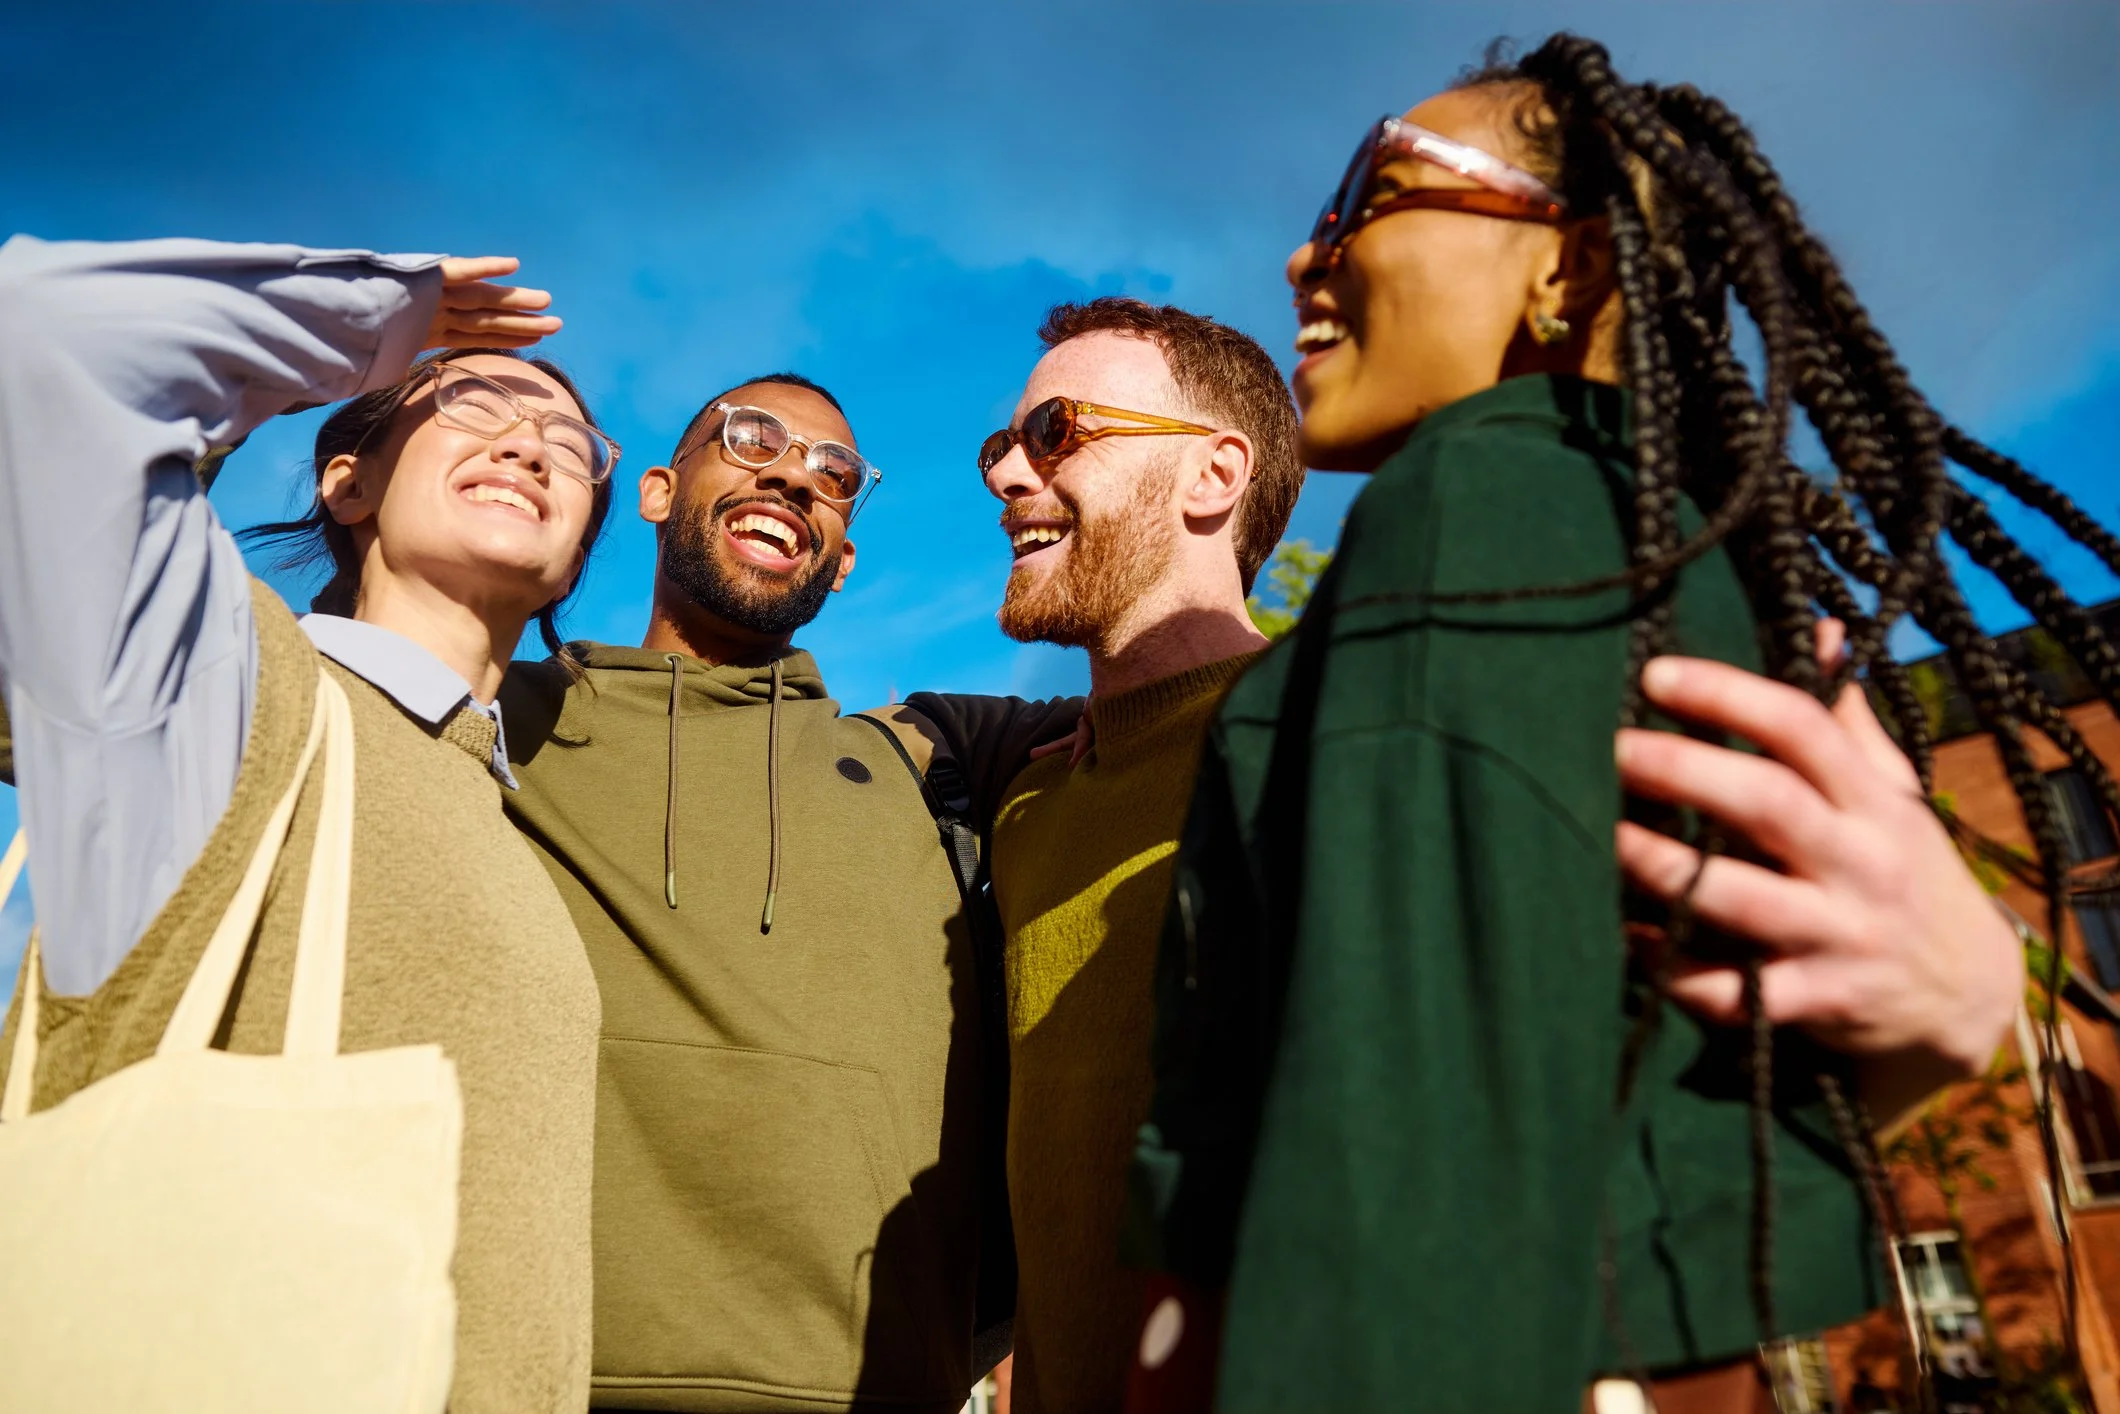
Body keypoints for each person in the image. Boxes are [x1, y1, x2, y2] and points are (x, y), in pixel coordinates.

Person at [1123, 33, 2081, 1413]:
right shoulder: (1630, 543)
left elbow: (1416, 1163)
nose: (1304, 252)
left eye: (1370, 191)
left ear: (1563, 268)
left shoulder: (1486, 499)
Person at [0, 237, 614, 1412]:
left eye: (570, 444)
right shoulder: (218, 684)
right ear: (349, 481)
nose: (530, 440)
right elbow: (44, 344)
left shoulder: (509, 825)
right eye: (472, 396)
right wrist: (378, 318)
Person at [496, 375, 1077, 1413]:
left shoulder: (929, 757)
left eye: (834, 474)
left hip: (874, 1391)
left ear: (842, 560)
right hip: (528, 1375)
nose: (793, 475)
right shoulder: (499, 717)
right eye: (751, 437)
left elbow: (1191, 690)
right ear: (659, 491)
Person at [973, 296, 1300, 1414]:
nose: (1012, 473)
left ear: (1211, 476)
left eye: (1057, 431)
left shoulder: (1340, 734)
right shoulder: (1027, 808)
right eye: (1002, 447)